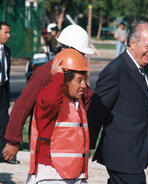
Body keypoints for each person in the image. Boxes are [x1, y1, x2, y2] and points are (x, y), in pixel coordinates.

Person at [2, 24, 94, 162]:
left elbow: (86, 101)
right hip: (47, 148)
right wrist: (13, 141)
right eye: (80, 53)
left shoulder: (75, 73)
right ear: (64, 49)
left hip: (70, 149)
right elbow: (22, 106)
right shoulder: (45, 73)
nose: (82, 57)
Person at [87, 22, 148, 184]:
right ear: (133, 43)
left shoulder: (147, 70)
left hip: (139, 153)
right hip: (122, 154)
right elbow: (96, 112)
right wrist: (87, 146)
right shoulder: (115, 70)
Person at [26, 49, 90, 184]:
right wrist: (58, 76)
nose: (84, 85)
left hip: (75, 174)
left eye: (84, 80)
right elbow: (51, 100)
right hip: (51, 174)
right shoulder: (47, 98)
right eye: (79, 80)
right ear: (65, 80)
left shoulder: (77, 102)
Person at [0, 21, 18, 164]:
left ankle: (2, 154)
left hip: (3, 90)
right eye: (6, 32)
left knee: (4, 122)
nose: (9, 35)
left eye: (9, 32)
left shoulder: (7, 50)